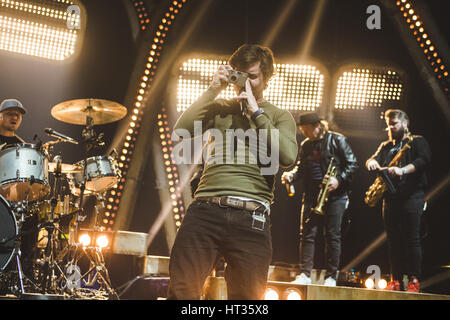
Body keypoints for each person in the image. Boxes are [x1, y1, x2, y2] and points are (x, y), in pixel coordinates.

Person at [167, 44, 298, 300]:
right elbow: (179, 131)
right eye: (240, 75)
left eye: (253, 76)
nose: (245, 83)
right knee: (182, 291)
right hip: (206, 209)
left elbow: (287, 157)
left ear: (267, 78)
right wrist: (214, 88)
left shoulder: (279, 116)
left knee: (248, 299)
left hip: (252, 216)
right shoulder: (220, 109)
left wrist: (256, 112)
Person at [281, 112, 358, 287]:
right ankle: (305, 274)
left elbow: (352, 164)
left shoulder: (337, 140)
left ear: (317, 126)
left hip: (335, 196)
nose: (305, 133)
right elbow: (301, 169)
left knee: (332, 235)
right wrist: (291, 176)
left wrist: (338, 180)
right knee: (306, 235)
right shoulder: (306, 145)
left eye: (307, 130)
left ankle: (331, 276)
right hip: (311, 196)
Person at [366, 109, 431, 292]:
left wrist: (402, 170)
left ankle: (414, 280)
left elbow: (423, 161)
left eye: (394, 123)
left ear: (405, 123)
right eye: (389, 124)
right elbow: (373, 158)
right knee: (393, 241)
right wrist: (371, 162)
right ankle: (396, 280)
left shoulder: (417, 141)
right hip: (391, 197)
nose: (390, 127)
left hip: (412, 196)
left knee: (412, 239)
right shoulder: (386, 146)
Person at [0, 98, 37, 281]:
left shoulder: (20, 146)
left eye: (17, 115)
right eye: (10, 114)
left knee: (32, 217)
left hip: (10, 199)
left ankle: (26, 273)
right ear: (0, 116)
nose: (14, 117)